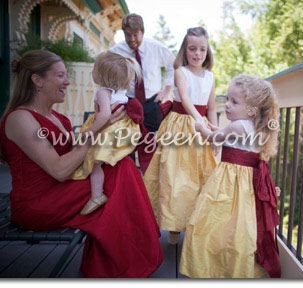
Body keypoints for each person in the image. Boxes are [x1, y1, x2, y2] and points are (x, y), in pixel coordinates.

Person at [0, 50, 163, 277]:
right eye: (60, 76)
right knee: (119, 175)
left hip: (64, 189)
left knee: (120, 167)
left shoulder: (59, 118)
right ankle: (127, 263)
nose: (67, 81)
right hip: (39, 203)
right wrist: (97, 131)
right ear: (37, 80)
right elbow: (59, 170)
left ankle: (127, 260)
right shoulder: (21, 118)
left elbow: (79, 156)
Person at [179, 74, 281, 278]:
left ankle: (209, 267)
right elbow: (228, 137)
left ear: (251, 110)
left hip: (229, 183)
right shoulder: (253, 127)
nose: (226, 105)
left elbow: (214, 139)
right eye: (227, 99)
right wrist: (217, 129)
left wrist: (201, 127)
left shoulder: (237, 126)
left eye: (234, 102)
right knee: (239, 227)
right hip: (246, 185)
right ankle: (235, 269)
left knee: (213, 222)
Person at [143, 27, 217, 245]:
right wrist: (199, 121)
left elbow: (211, 107)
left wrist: (213, 129)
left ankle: (194, 223)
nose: (197, 54)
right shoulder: (180, 72)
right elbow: (184, 99)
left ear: (207, 51)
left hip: (201, 126)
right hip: (180, 126)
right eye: (192, 49)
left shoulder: (210, 76)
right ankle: (174, 224)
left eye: (202, 49)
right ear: (185, 50)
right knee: (176, 177)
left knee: (200, 176)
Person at [70, 51, 143, 215]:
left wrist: (91, 130)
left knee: (94, 161)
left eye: (95, 67)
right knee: (100, 160)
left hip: (111, 130)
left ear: (102, 75)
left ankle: (97, 195)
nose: (92, 71)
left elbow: (104, 115)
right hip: (124, 131)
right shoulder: (122, 93)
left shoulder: (103, 92)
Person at [110, 13, 175, 173]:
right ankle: (129, 179)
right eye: (127, 35)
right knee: (126, 145)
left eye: (135, 35)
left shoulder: (156, 48)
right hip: (127, 103)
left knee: (152, 144)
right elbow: (104, 71)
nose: (132, 39)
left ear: (142, 32)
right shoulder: (116, 51)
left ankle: (150, 181)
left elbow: (174, 64)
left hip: (151, 103)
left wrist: (167, 88)